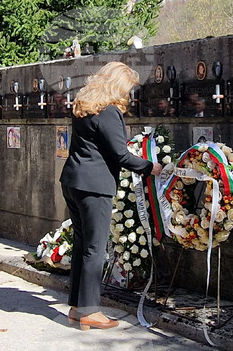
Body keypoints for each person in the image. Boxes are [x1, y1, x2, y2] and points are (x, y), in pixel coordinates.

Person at [60, 62, 162, 331]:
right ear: (118, 85)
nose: (129, 94)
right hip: (94, 186)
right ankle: (91, 311)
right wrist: (151, 167)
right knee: (95, 248)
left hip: (73, 181)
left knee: (83, 245)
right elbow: (121, 155)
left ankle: (76, 308)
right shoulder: (108, 112)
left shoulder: (85, 106)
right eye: (128, 88)